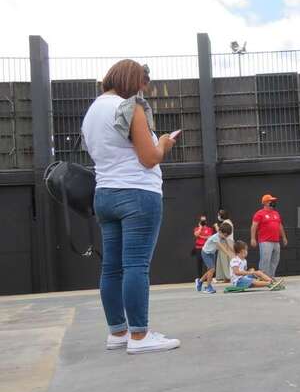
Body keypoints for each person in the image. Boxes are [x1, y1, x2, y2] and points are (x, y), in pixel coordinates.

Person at [82, 59, 180, 354]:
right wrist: (164, 143)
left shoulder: (92, 111)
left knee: (111, 268)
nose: (143, 90)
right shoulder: (131, 107)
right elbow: (149, 158)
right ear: (132, 81)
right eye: (141, 84)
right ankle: (140, 335)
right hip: (137, 193)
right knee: (136, 265)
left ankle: (118, 332)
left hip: (105, 195)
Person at [251, 194, 288, 278]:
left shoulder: (276, 213)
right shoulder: (259, 213)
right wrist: (253, 238)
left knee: (275, 260)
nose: (273, 202)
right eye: (271, 201)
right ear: (265, 203)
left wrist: (284, 237)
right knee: (265, 260)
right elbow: (254, 226)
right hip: (265, 241)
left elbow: (280, 226)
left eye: (273, 201)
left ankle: (270, 277)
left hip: (276, 241)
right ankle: (263, 278)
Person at [196, 222, 233, 294]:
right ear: (220, 232)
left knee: (210, 270)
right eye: (225, 235)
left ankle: (200, 281)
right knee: (212, 269)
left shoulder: (222, 235)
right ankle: (208, 287)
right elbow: (221, 247)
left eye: (227, 236)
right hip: (206, 253)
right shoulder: (216, 237)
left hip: (212, 253)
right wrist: (229, 254)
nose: (225, 237)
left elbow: (228, 245)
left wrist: (234, 252)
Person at [215, 209, 235, 281]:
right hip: (228, 241)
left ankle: (227, 276)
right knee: (225, 259)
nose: (218, 216)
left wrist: (216, 226)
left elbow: (221, 233)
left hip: (226, 242)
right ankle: (226, 276)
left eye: (219, 215)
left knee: (224, 260)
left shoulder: (226, 222)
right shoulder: (228, 222)